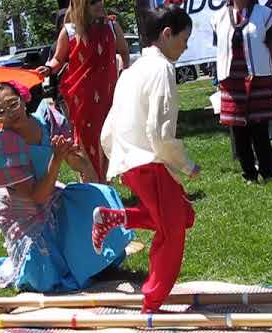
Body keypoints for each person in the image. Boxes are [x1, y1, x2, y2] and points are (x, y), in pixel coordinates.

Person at [0, 81, 134, 292]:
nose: (10, 112)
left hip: (49, 191)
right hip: (18, 206)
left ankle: (93, 259)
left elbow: (82, 168)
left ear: (24, 99)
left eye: (13, 103)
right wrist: (57, 158)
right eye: (1, 111)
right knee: (45, 279)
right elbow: (36, 197)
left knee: (98, 195)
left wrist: (75, 156)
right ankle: (13, 263)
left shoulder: (47, 120)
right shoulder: (3, 144)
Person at [90, 6, 200, 314]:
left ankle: (113, 217)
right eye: (184, 38)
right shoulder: (161, 68)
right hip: (148, 160)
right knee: (173, 229)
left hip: (132, 160)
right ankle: (152, 302)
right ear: (167, 34)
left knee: (182, 215)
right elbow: (160, 130)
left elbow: (109, 126)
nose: (186, 46)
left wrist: (119, 158)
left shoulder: (132, 70)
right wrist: (186, 165)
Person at [37, 0, 130, 183]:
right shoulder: (70, 31)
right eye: (93, 2)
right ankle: (93, 185)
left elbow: (124, 52)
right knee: (86, 141)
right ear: (81, 6)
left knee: (108, 136)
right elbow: (58, 59)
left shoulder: (112, 26)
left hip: (110, 96)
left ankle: (103, 184)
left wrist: (125, 73)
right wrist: (47, 69)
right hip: (82, 99)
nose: (100, 5)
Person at [212, 0, 272, 183]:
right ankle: (249, 173)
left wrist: (263, 64)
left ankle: (267, 173)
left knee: (259, 127)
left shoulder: (265, 14)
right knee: (238, 129)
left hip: (257, 77)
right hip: (231, 80)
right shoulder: (218, 17)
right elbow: (220, 48)